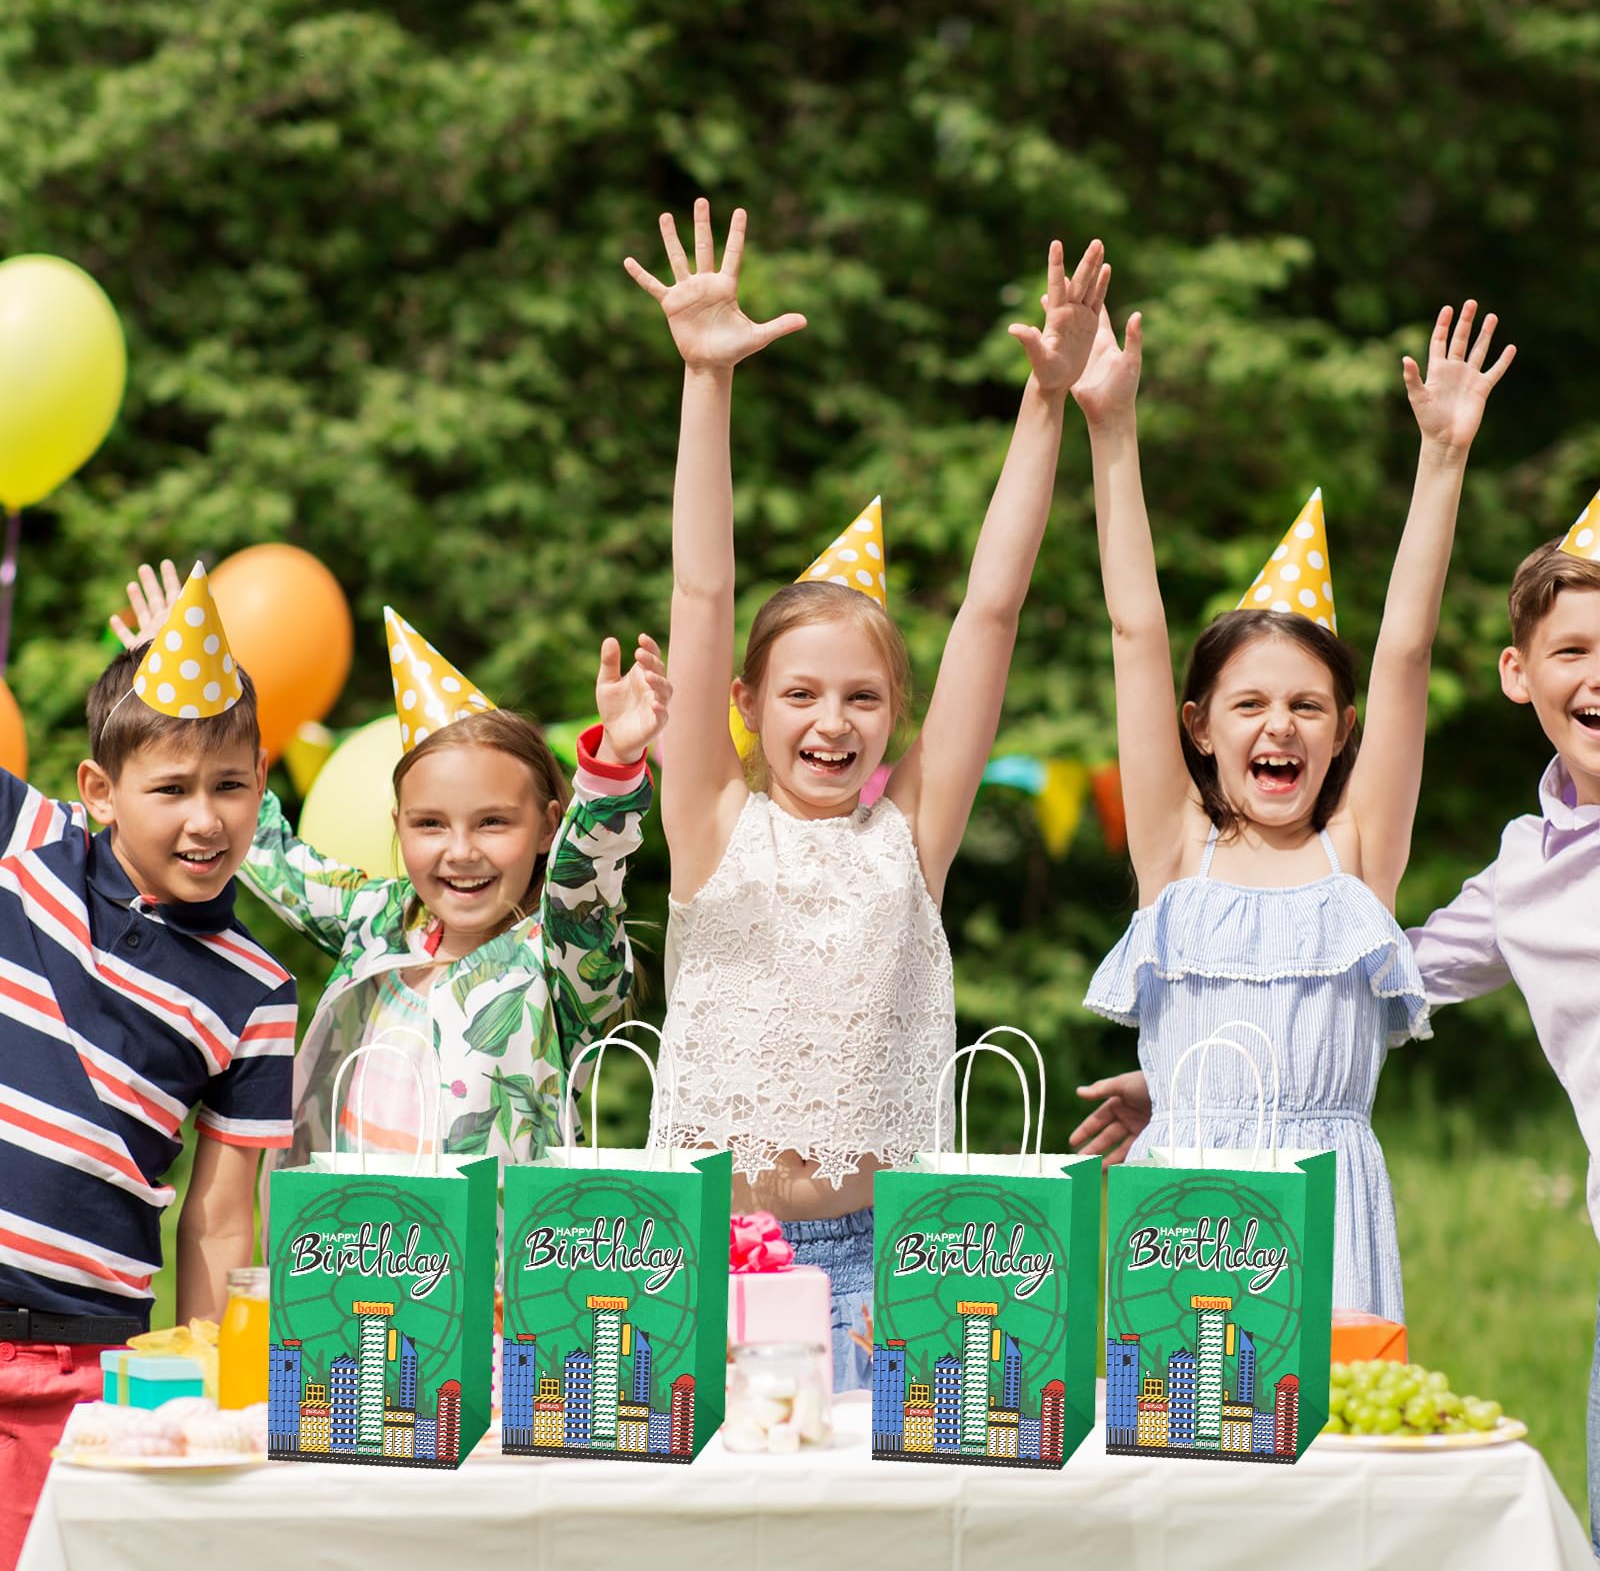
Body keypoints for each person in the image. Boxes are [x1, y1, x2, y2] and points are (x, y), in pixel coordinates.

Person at [625, 197, 1107, 1388]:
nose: (830, 721)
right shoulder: (710, 821)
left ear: (894, 715)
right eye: (798, 695)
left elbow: (991, 611)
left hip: (871, 1260)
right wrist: (706, 383)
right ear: (742, 703)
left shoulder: (910, 837)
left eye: (860, 698)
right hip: (702, 1256)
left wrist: (1043, 400)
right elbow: (700, 593)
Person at [1067, 297, 1514, 1319]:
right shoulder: (1176, 854)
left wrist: (1441, 460)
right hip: (1178, 1204)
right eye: (1251, 705)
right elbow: (1135, 630)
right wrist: (1111, 431)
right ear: (1199, 726)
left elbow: (1402, 653)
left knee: (1333, 1460)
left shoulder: (1356, 857)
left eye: (1308, 705)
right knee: (1181, 1445)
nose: (1281, 728)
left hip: (1327, 1207)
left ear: (1341, 729)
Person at [113, 566, 665, 1172]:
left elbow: (583, 883)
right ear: (399, 825)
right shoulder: (379, 917)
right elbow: (266, 849)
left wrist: (615, 764)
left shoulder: (558, 960)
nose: (461, 851)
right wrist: (182, 700)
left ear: (546, 829)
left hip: (491, 1265)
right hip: (348, 1253)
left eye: (493, 823)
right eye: (431, 824)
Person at [0, 567, 295, 1571]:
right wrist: (156, 676)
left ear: (263, 779)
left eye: (230, 784)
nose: (204, 818)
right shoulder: (30, 846)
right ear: (99, 791)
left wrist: (207, 1382)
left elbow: (218, 1216)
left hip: (91, 1361)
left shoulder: (257, 989)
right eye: (168, 788)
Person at [1401, 520, 1600, 1552]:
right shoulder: (1525, 869)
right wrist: (1180, 1073)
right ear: (1519, 673)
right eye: (1574, 650)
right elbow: (1386, 985)